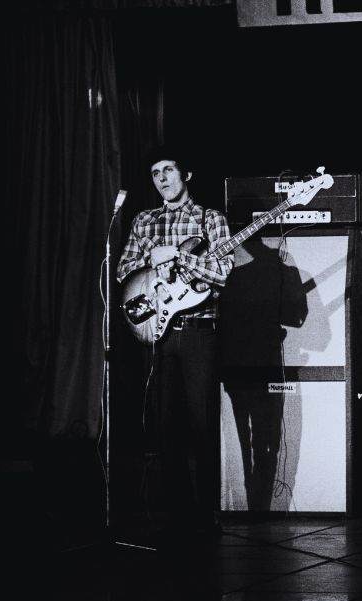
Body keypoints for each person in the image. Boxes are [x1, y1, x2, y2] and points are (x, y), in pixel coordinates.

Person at [117, 148, 234, 539]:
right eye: (155, 173)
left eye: (168, 170)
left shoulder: (210, 219)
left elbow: (223, 271)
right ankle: (179, 513)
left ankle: (207, 513)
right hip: (159, 332)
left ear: (187, 175)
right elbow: (123, 271)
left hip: (200, 331)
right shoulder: (144, 221)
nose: (162, 178)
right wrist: (154, 260)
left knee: (203, 424)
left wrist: (181, 259)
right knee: (166, 426)